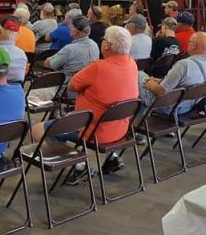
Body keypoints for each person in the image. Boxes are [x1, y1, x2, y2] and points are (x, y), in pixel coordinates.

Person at [30, 26, 138, 185]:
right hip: (120, 129)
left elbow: (72, 86)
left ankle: (80, 166)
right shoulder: (132, 64)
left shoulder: (98, 67)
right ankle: (111, 158)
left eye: (103, 40)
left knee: (37, 130)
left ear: (107, 45)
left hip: (92, 130)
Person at [140, 32, 206, 117]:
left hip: (166, 107)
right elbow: (183, 84)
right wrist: (160, 81)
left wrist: (151, 83)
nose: (188, 43)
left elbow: (160, 91)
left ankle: (138, 120)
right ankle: (143, 119)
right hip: (187, 107)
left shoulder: (184, 65)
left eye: (189, 41)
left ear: (194, 45)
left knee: (139, 74)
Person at [35, 15, 99, 101]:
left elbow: (48, 64)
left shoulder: (70, 49)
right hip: (86, 89)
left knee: (31, 94)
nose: (70, 28)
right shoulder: (94, 45)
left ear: (76, 31)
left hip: (66, 90)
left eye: (71, 27)